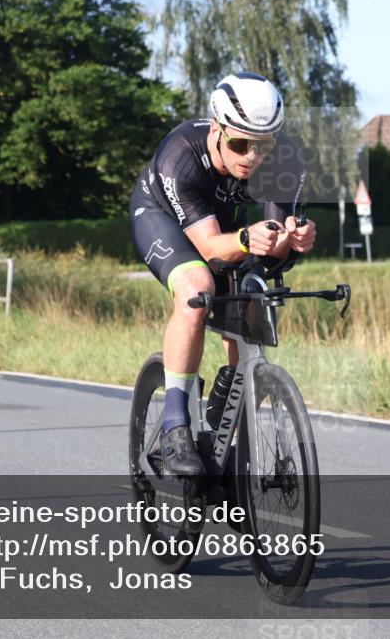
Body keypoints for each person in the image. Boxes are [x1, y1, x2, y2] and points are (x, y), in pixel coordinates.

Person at [129, 72, 317, 476]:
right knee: (197, 288)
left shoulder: (284, 160)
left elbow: (274, 244)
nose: (252, 156)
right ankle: (176, 425)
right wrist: (250, 240)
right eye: (239, 143)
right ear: (217, 128)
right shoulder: (180, 153)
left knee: (254, 295)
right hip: (164, 220)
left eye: (264, 145)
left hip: (228, 227)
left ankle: (220, 426)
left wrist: (293, 240)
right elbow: (211, 248)